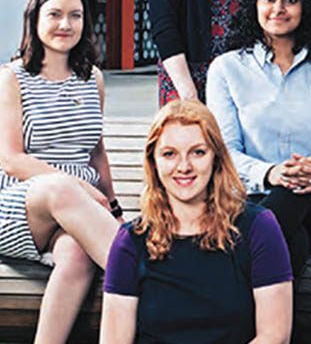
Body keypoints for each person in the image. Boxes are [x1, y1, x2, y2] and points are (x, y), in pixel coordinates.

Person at [0, 0, 122, 343]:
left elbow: (96, 152)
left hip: (74, 208)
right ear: (35, 19)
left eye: (75, 15)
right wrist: (84, 192)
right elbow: (11, 160)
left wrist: (112, 204)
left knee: (77, 256)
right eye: (54, 14)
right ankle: (162, 282)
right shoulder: (10, 78)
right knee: (58, 188)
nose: (65, 24)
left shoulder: (93, 80)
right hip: (16, 204)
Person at [207, 0, 311, 276]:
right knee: (292, 243)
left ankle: (218, 289)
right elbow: (225, 150)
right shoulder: (227, 69)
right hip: (249, 201)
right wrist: (271, 173)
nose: (278, 8)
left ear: (307, 8)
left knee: (292, 194)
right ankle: (272, 326)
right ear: (256, 6)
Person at [100, 99, 292, 344]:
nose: (184, 166)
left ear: (216, 158)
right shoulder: (131, 241)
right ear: (154, 162)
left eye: (198, 152)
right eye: (169, 154)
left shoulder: (259, 228)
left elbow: (274, 336)